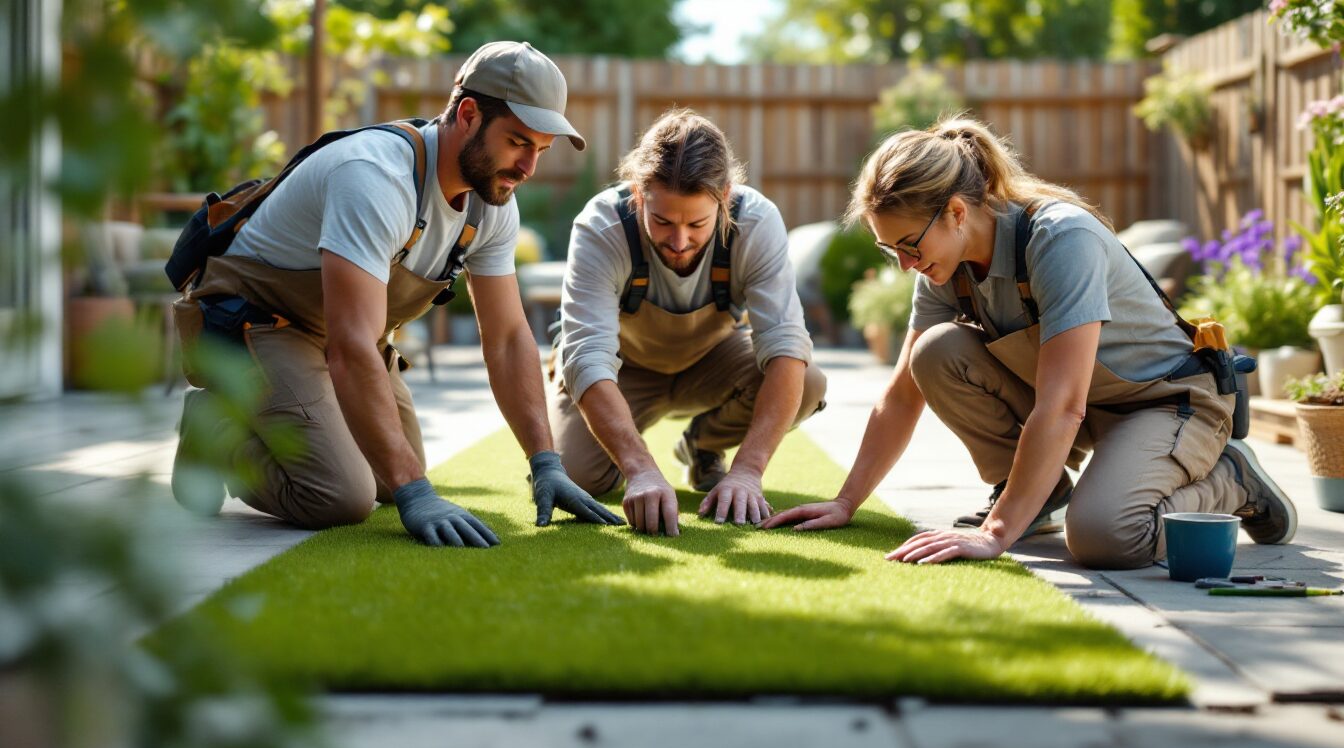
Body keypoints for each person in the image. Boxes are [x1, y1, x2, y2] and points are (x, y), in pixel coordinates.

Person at [763, 116, 1296, 569]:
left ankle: (1233, 477)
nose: (904, 263)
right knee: (937, 352)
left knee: (1106, 538)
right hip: (1082, 406)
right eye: (889, 249)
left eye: (907, 244)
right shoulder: (942, 266)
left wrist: (995, 533)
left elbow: (1061, 407)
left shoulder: (1061, 239)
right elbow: (903, 394)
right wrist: (845, 502)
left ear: (956, 212)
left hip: (1166, 404)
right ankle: (1044, 499)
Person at [171, 41, 622, 547]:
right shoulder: (375, 176)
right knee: (339, 496)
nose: (528, 168)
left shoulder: (491, 203)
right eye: (518, 142)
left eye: (541, 149)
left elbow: (509, 337)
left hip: (344, 332)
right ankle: (213, 429)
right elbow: (351, 345)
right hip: (259, 323)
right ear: (469, 115)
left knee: (390, 476)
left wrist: (544, 461)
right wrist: (417, 492)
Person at [549, 109, 827, 537]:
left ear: (725, 197)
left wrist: (748, 471)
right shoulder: (602, 225)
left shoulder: (756, 221)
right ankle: (610, 436)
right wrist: (640, 469)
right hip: (622, 369)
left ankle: (702, 445)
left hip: (712, 360)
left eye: (697, 224)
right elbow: (587, 355)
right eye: (662, 222)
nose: (679, 241)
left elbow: (786, 345)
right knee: (577, 477)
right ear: (639, 195)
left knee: (808, 381)